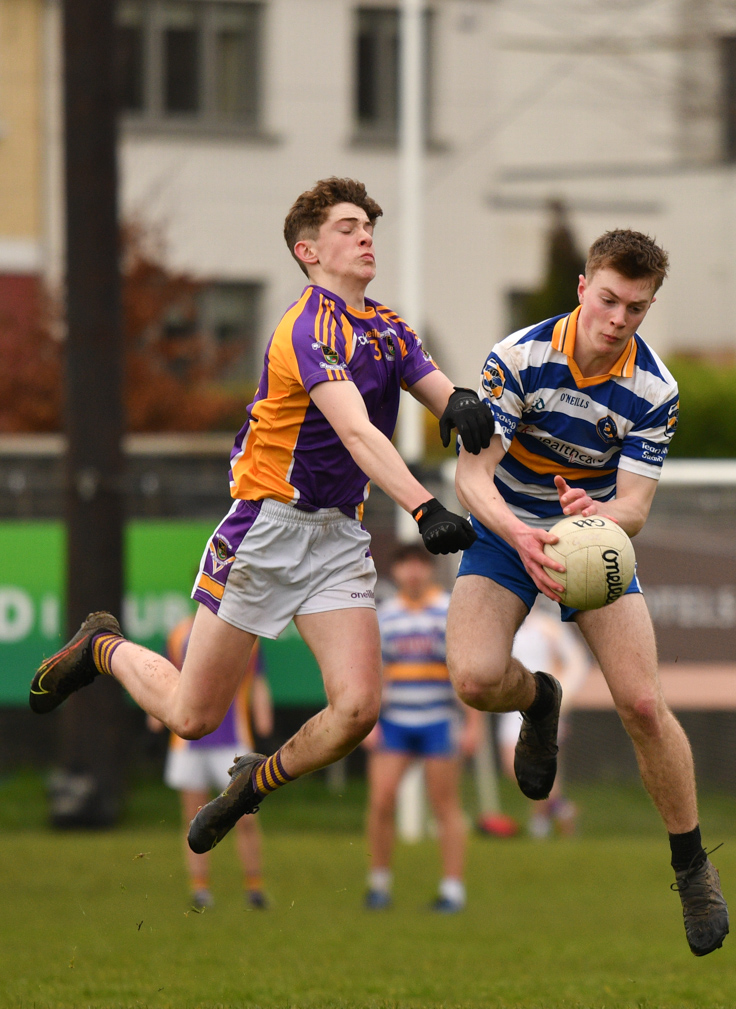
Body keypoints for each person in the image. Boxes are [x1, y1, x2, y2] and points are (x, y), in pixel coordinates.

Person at [29, 177, 494, 859]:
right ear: (307, 250)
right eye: (345, 226)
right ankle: (103, 647)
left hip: (336, 536)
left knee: (358, 709)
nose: (364, 235)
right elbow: (359, 434)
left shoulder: (388, 327)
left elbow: (438, 392)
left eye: (367, 225)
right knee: (192, 715)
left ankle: (255, 781)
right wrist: (422, 506)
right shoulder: (308, 327)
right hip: (267, 529)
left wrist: (461, 401)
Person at [445, 229, 729, 957]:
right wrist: (518, 535)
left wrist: (594, 520)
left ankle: (691, 866)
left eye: (635, 307)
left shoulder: (654, 389)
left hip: (590, 540)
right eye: (607, 299)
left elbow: (634, 505)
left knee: (641, 701)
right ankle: (538, 699)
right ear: (581, 287)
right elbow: (471, 477)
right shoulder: (517, 358)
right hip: (505, 527)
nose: (618, 318)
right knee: (476, 679)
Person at [363, 544, 481, 913]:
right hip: (396, 721)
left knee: (444, 806)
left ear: (427, 570)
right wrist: (369, 723)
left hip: (438, 720)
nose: (412, 572)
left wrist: (473, 724)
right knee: (382, 800)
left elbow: (464, 672)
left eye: (418, 565)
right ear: (396, 572)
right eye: (405, 566)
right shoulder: (385, 615)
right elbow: (373, 672)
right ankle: (379, 883)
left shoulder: (448, 610)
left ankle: (452, 889)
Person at [147, 613, 273, 910]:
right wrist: (154, 720)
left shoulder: (247, 632)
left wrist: (264, 720)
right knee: (194, 817)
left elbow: (257, 680)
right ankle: (200, 889)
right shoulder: (179, 633)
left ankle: (254, 887)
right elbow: (163, 679)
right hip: (188, 742)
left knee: (245, 817)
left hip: (232, 740)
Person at [497, 601, 590, 838]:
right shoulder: (504, 626)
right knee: (516, 768)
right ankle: (561, 809)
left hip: (543, 708)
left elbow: (577, 663)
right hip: (511, 707)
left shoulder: (548, 626)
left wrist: (561, 699)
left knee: (536, 765)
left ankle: (540, 827)